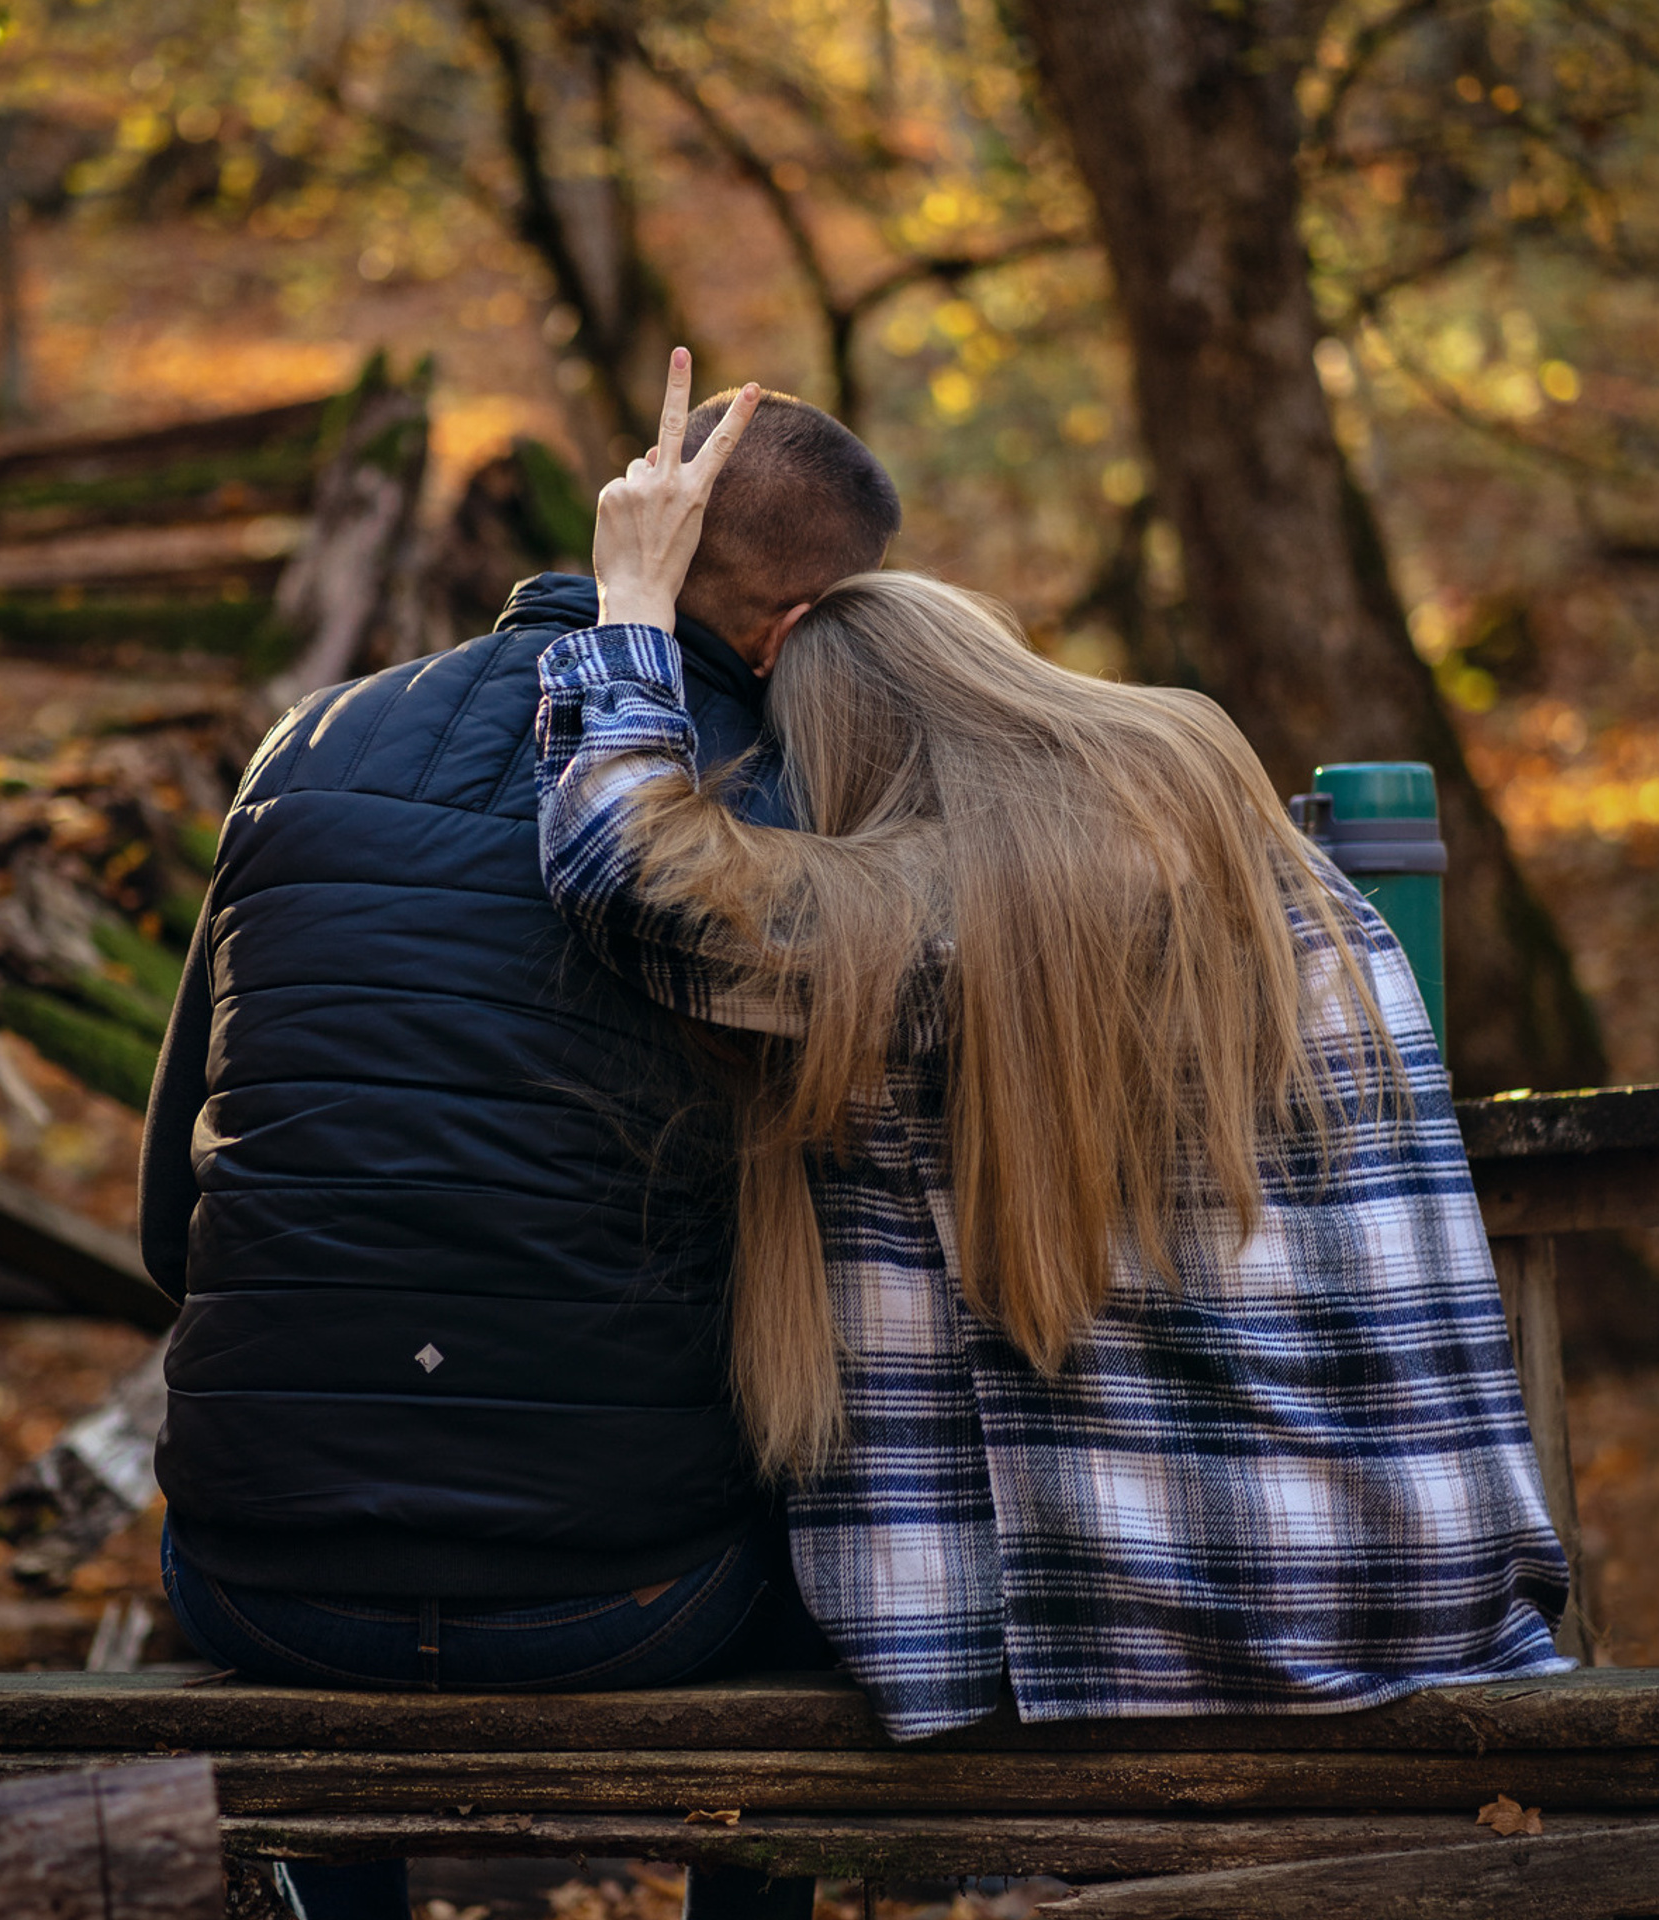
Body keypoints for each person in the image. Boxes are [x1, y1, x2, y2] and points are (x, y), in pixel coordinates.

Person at [536, 354, 1573, 1742]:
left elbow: (628, 872)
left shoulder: (945, 920)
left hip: (1192, 1641)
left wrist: (629, 611)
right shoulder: (1246, 836)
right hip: (1438, 1589)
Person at [138, 364, 900, 1917]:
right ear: (804, 627)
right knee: (838, 1562)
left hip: (260, 1588)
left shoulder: (310, 742)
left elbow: (173, 1226)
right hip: (632, 1598)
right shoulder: (788, 806)